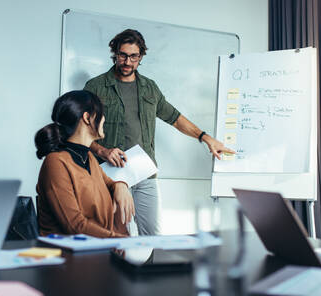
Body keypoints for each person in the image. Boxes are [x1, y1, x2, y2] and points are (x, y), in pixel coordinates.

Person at [84, 29, 234, 235]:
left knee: (153, 238)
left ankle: (149, 269)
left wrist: (205, 137)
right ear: (115, 54)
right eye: (123, 55)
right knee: (116, 238)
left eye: (134, 56)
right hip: (110, 174)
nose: (128, 61)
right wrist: (103, 151)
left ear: (141, 57)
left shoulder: (149, 88)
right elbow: (79, 131)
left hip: (145, 174)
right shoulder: (96, 86)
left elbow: (175, 118)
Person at [35, 90, 135, 238]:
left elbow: (110, 183)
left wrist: (120, 185)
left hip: (97, 250)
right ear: (87, 117)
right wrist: (119, 240)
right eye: (101, 114)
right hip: (66, 255)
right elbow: (74, 226)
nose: (104, 119)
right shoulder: (55, 162)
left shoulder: (88, 157)